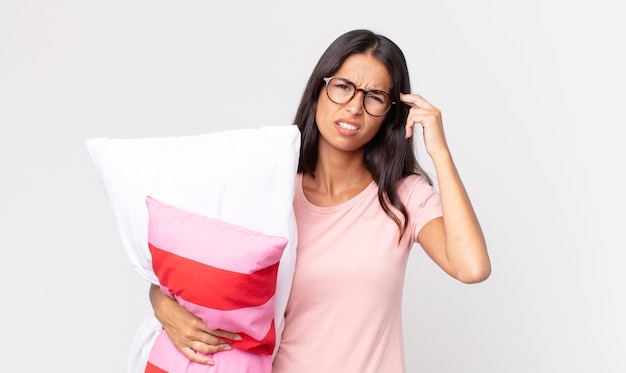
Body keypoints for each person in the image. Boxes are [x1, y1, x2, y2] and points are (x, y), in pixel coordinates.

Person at [149, 29, 491, 372]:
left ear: (390, 112)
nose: (355, 107)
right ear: (319, 90)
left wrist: (440, 152)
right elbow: (196, 275)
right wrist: (159, 302)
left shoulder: (402, 197)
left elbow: (471, 267)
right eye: (343, 87)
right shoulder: (269, 191)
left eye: (374, 96)